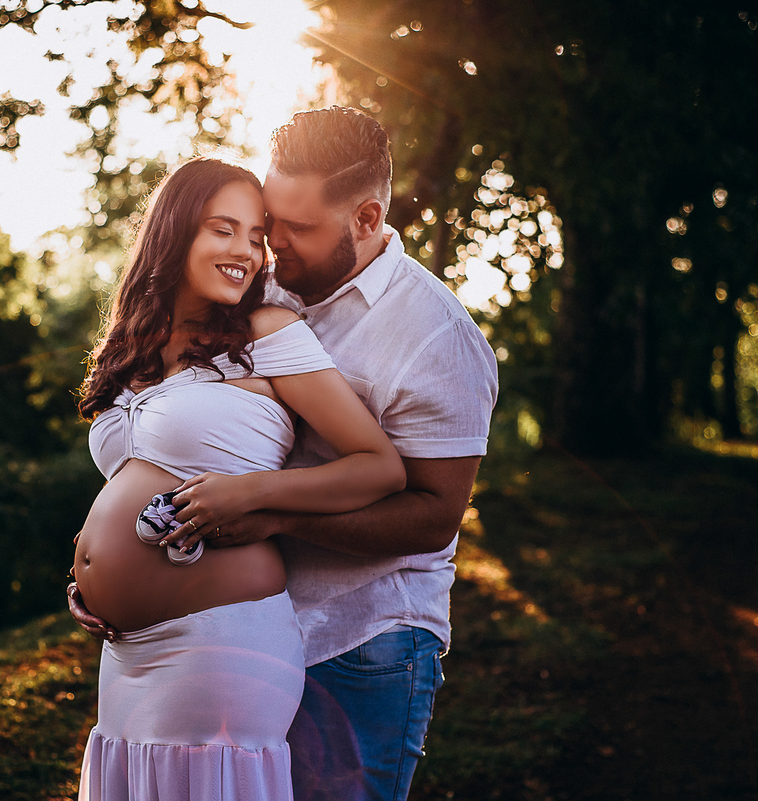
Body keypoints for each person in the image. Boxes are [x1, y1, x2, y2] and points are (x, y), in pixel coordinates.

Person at [71, 107, 499, 801]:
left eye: (291, 229)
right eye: (269, 223)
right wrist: (110, 555)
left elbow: (431, 515)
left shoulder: (434, 335)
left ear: (364, 218)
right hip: (222, 619)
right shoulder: (263, 288)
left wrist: (265, 510)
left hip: (363, 637)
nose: (274, 247)